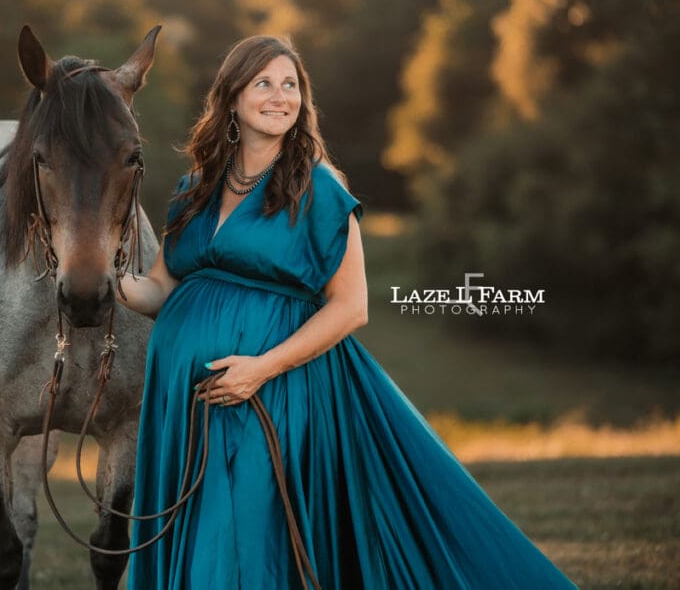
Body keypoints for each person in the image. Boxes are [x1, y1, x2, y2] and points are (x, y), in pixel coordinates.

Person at [117, 35, 576, 589]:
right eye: (264, 83)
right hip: (186, 402)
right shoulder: (195, 188)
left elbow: (351, 307)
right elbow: (162, 288)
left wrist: (262, 368)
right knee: (200, 538)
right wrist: (112, 284)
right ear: (232, 98)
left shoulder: (319, 188)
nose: (280, 96)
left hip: (275, 394)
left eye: (291, 85)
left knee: (244, 540)